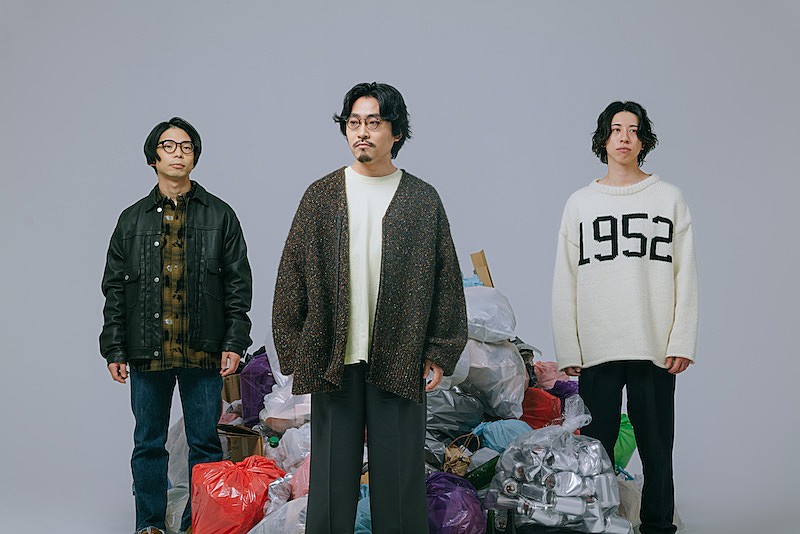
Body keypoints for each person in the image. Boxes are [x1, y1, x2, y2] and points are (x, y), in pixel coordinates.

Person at [272, 82, 467, 533]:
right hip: (333, 358)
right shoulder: (322, 196)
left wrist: (439, 351)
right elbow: (291, 275)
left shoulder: (421, 200)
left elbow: (446, 280)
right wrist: (296, 348)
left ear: (395, 132)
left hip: (400, 358)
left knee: (399, 480)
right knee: (330, 480)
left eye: (373, 123)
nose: (362, 132)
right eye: (354, 122)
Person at [100, 117, 253, 534]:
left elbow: (238, 285)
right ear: (153, 157)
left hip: (203, 350)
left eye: (186, 147)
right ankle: (149, 525)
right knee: (148, 444)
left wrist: (234, 341)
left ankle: (197, 526)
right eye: (168, 146)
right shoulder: (131, 221)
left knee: (205, 444)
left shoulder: (220, 215)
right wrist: (114, 347)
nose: (178, 153)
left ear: (195, 157)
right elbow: (114, 290)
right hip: (146, 350)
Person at [552, 101, 698, 534]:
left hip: (653, 343)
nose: (624, 137)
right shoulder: (581, 203)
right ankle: (597, 524)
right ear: (603, 139)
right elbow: (565, 278)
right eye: (616, 129)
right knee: (595, 450)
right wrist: (569, 347)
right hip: (598, 343)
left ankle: (657, 527)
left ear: (643, 141)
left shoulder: (668, 198)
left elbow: (685, 274)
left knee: (657, 446)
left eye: (633, 130)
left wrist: (682, 340)